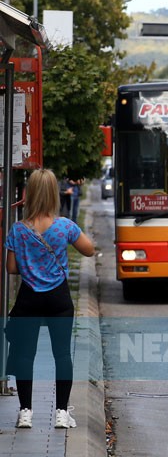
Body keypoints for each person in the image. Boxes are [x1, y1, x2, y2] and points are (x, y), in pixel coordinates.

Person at [5, 169, 95, 429]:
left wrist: (32, 264)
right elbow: (88, 250)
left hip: (28, 298)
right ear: (54, 193)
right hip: (58, 297)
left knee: (25, 355)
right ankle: (61, 413)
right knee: (62, 354)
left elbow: (11, 268)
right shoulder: (65, 226)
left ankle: (25, 412)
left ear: (29, 194)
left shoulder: (18, 230)